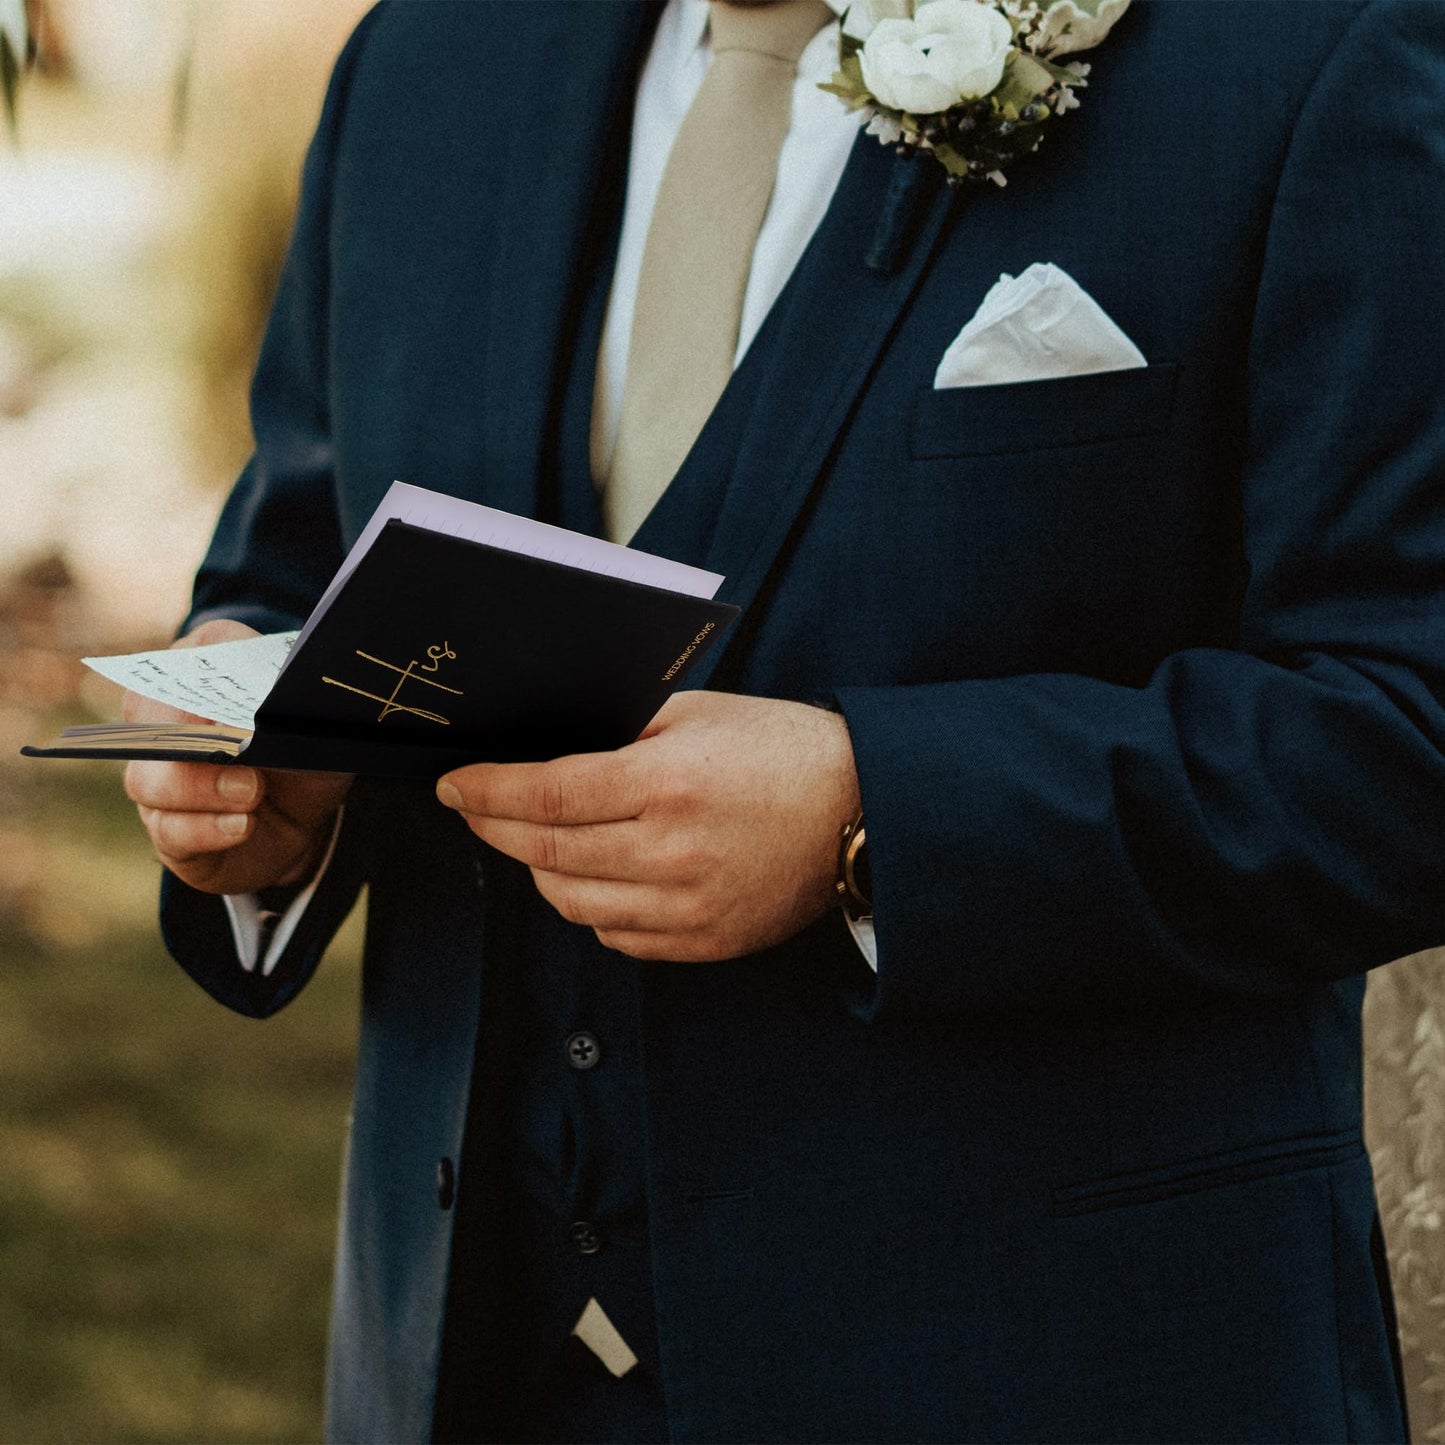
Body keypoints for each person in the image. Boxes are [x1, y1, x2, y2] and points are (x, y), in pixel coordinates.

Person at [120, 0, 1445, 1439]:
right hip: (470, 1371)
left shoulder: (1319, 47)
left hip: (1047, 1361)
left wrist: (873, 818)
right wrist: (263, 791)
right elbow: (296, 564)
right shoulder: (428, 58)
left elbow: (1405, 725)